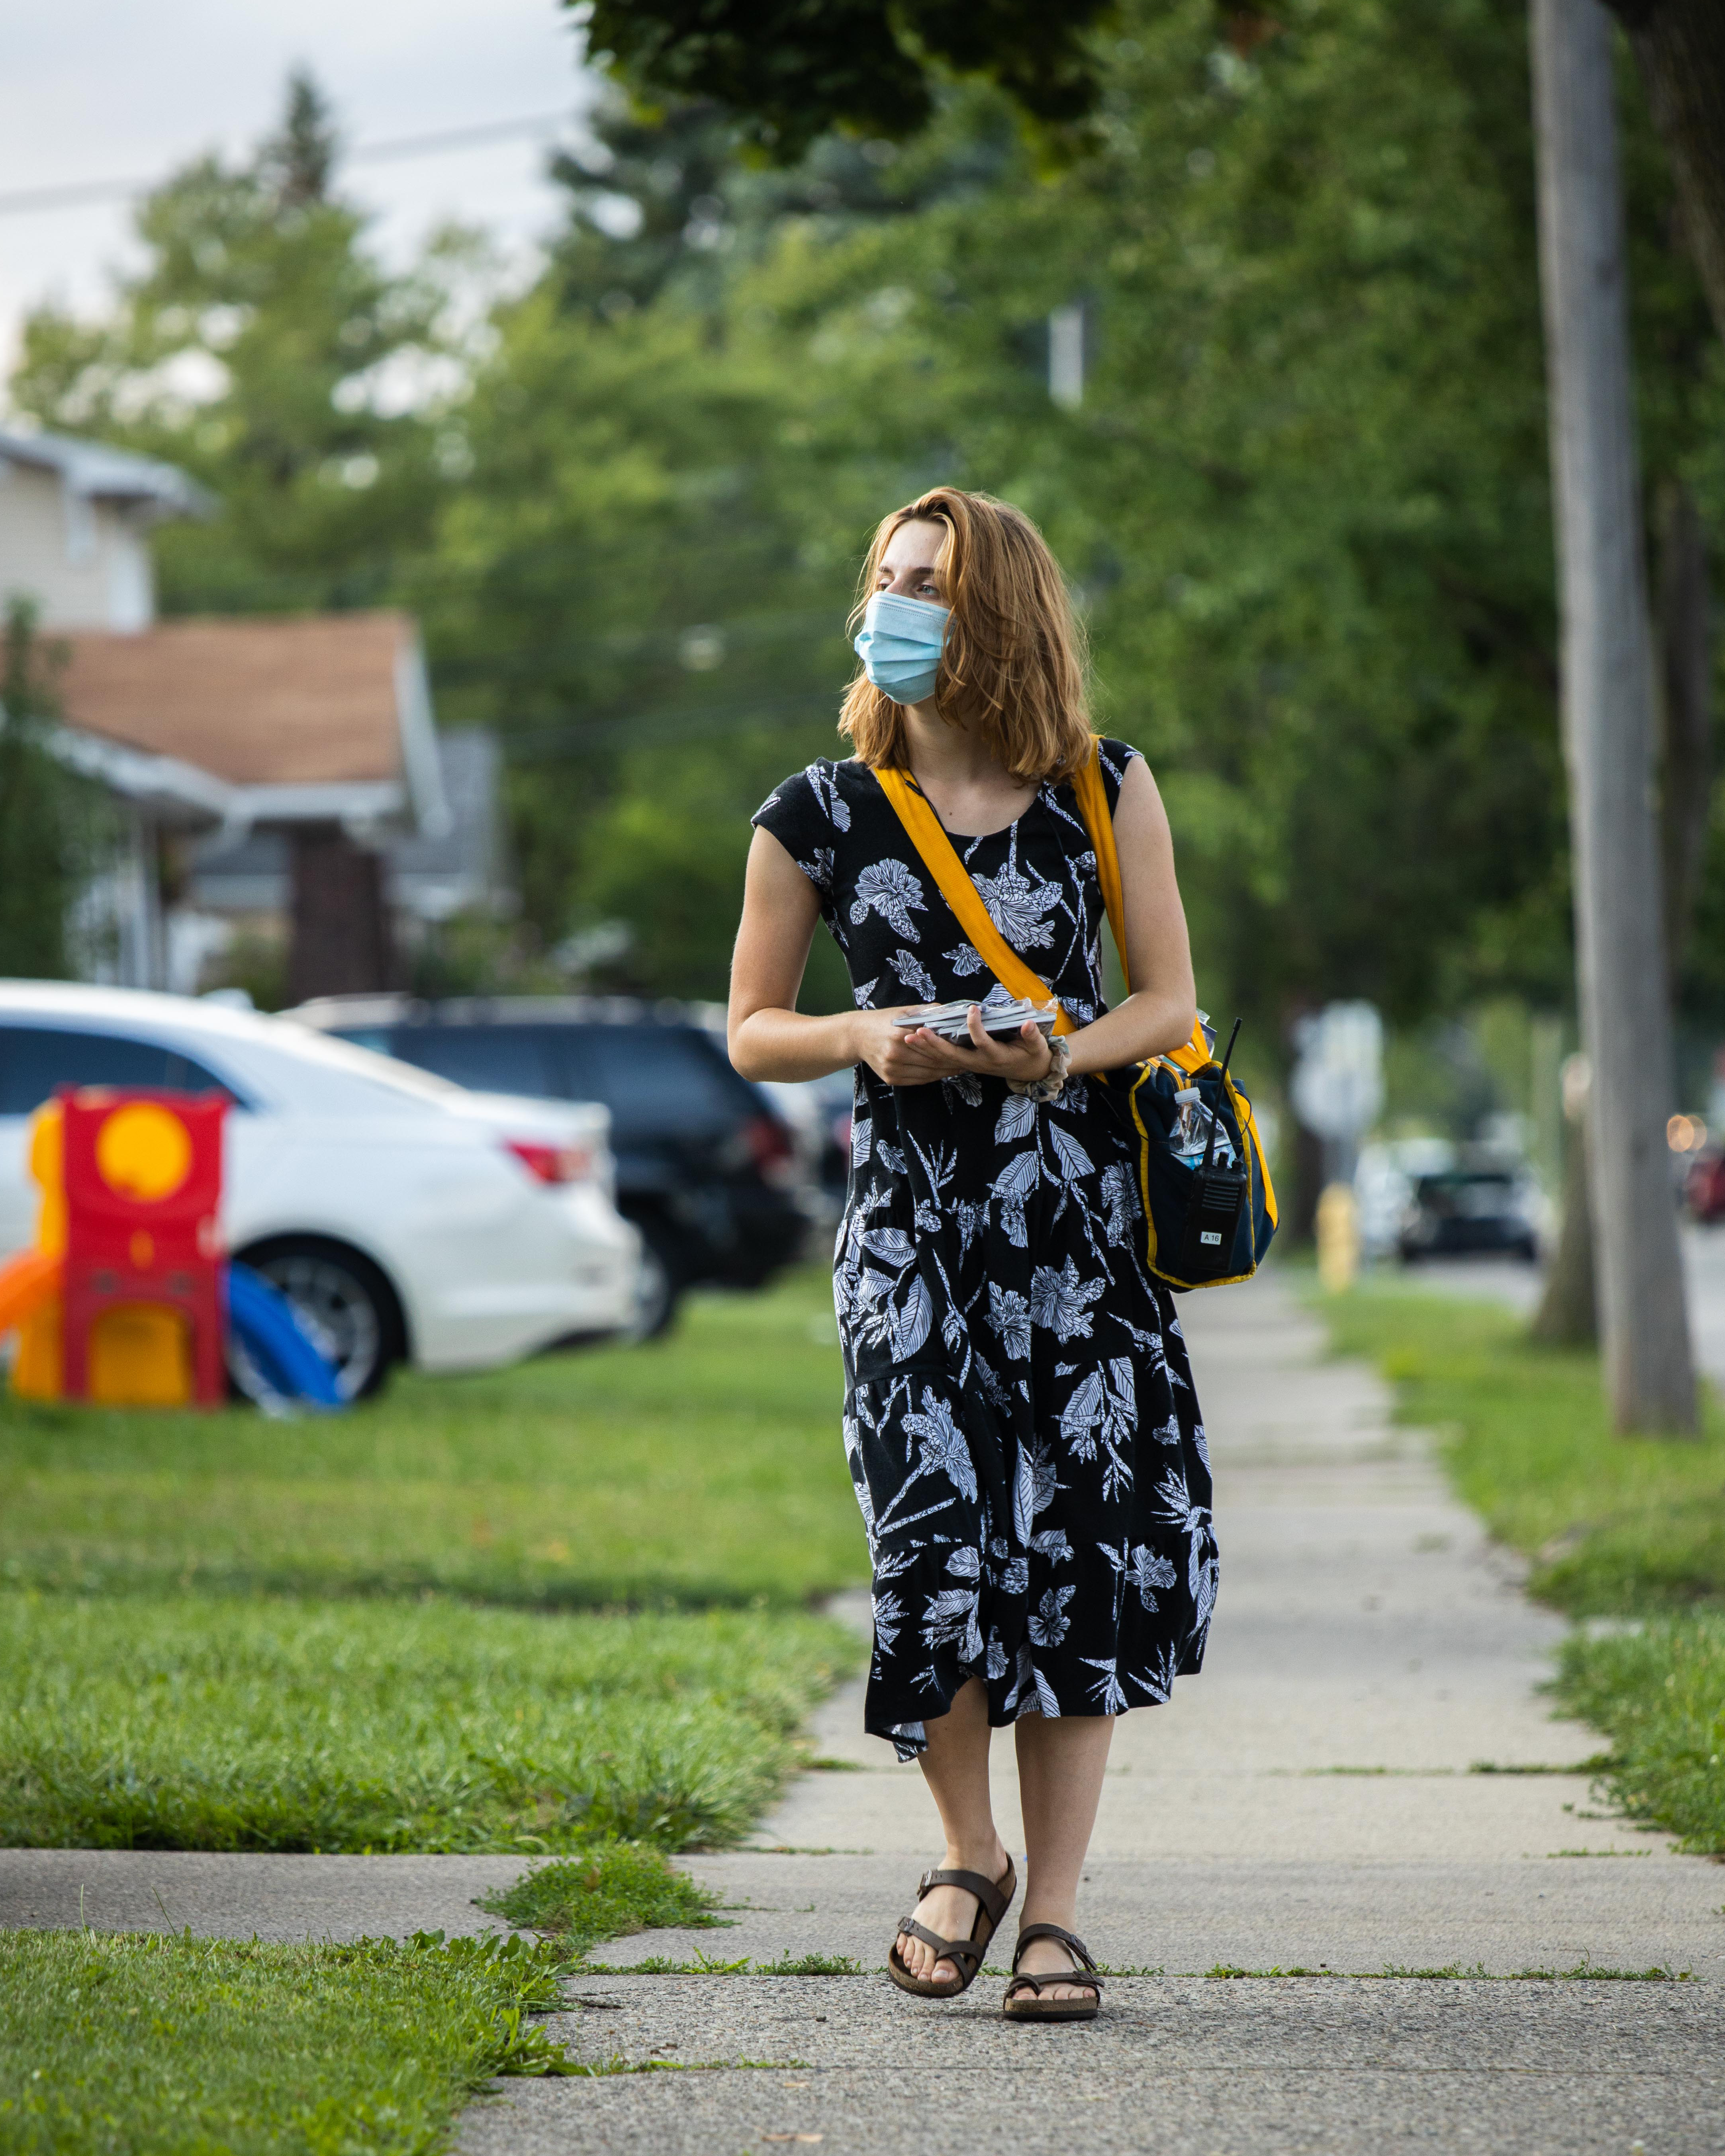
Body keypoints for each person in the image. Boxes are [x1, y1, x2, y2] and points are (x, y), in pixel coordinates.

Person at [728, 488, 1214, 2022]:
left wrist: (1050, 1058)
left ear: (998, 607)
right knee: (927, 1540)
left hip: (1078, 1232)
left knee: (1074, 1550)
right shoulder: (815, 811)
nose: (900, 604)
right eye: (885, 578)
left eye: (929, 581)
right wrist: (866, 1033)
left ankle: (1056, 1914)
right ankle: (965, 1853)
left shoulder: (1102, 787)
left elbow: (1169, 1007)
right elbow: (750, 1030)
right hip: (908, 1234)